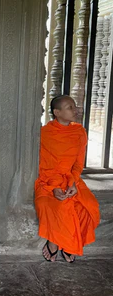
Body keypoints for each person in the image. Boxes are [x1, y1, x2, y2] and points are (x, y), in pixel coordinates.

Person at [35, 95, 100, 263]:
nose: (76, 109)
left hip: (71, 179)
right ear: (57, 112)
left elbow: (78, 163)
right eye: (70, 107)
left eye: (74, 106)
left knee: (89, 206)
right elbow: (43, 166)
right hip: (48, 181)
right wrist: (55, 186)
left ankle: (63, 241)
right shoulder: (44, 134)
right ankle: (56, 242)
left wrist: (73, 182)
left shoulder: (79, 132)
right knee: (58, 206)